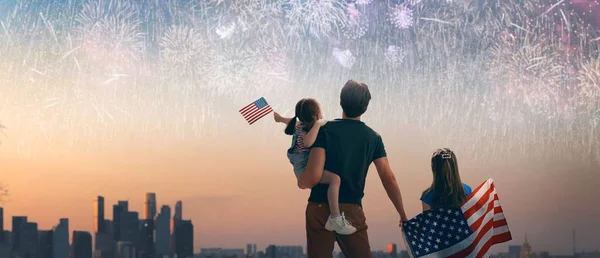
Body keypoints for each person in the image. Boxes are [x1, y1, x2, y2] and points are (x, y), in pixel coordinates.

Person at [297, 80, 408, 258]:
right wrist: (402, 213)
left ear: (341, 101)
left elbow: (313, 176)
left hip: (318, 206)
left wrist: (301, 181)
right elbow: (388, 178)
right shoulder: (373, 138)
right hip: (351, 209)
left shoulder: (324, 129)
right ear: (365, 107)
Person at [274, 98, 357, 235]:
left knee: (334, 178)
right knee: (334, 179)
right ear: (315, 116)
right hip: (304, 170)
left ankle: (333, 218)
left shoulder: (299, 124)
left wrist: (279, 118)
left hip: (305, 167)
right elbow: (308, 143)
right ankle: (335, 219)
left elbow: (290, 121)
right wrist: (318, 124)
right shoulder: (305, 132)